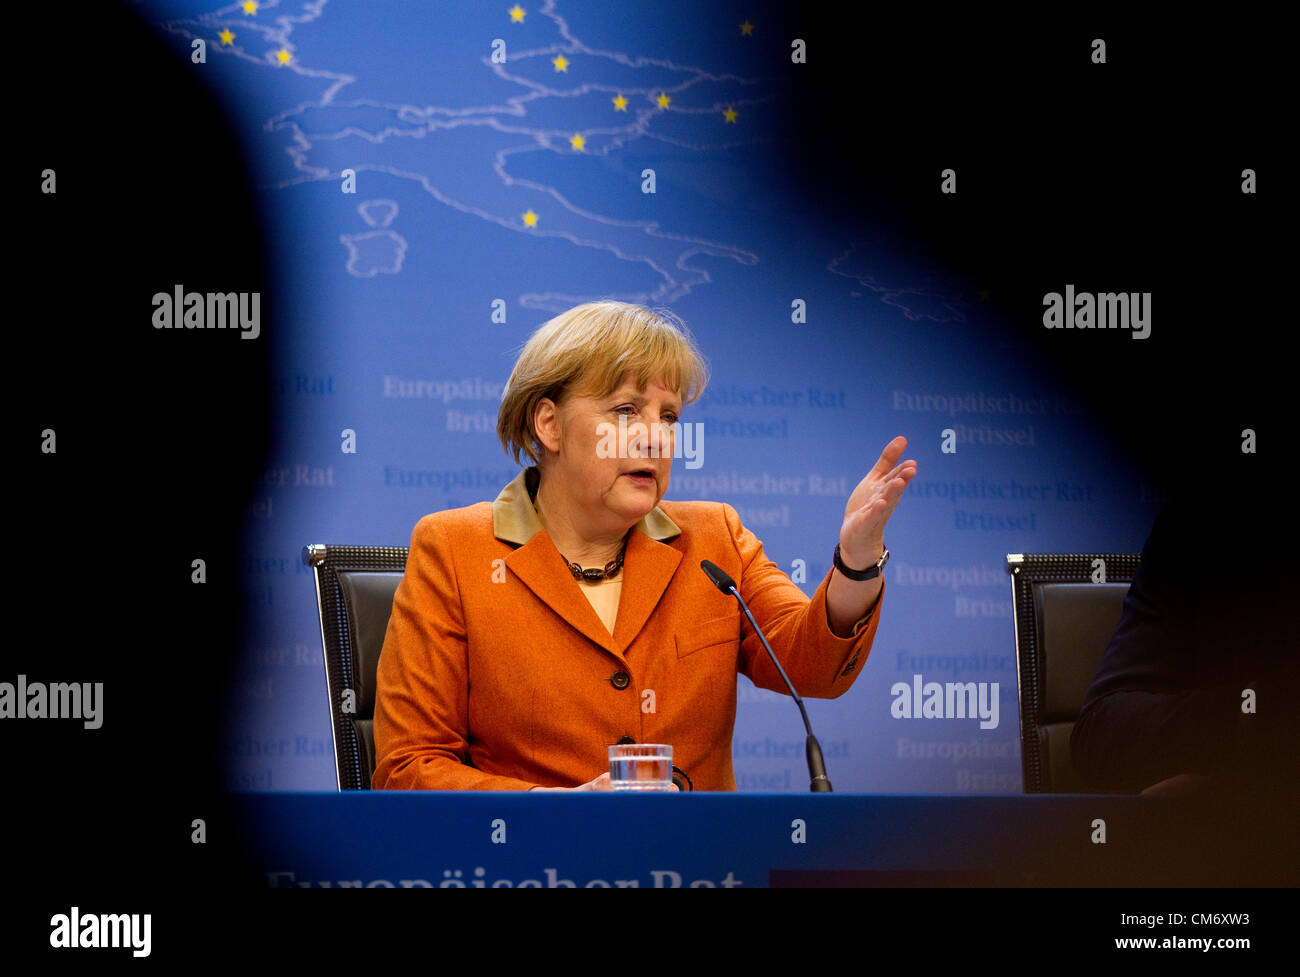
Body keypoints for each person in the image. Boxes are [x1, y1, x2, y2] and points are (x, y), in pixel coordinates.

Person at [372, 301, 916, 790]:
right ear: (549, 424)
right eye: (626, 410)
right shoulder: (455, 550)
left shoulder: (714, 538)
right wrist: (557, 812)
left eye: (669, 416)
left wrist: (857, 561)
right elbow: (409, 768)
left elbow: (811, 669)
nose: (655, 436)